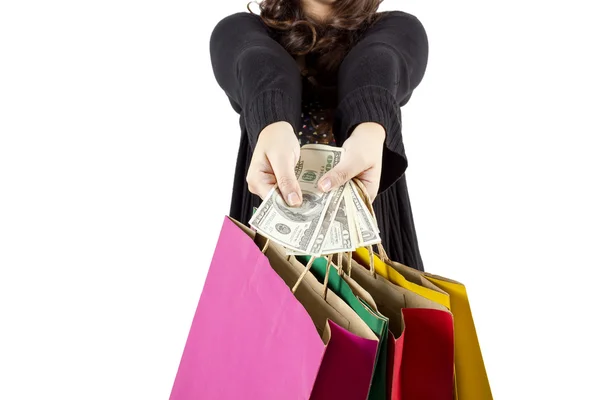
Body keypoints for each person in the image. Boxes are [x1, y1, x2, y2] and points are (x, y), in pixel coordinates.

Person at [209, 0, 428, 270]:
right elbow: (256, 59)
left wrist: (369, 124)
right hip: (270, 247)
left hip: (373, 251)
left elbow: (380, 59)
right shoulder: (239, 31)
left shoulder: (399, 31)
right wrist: (272, 122)